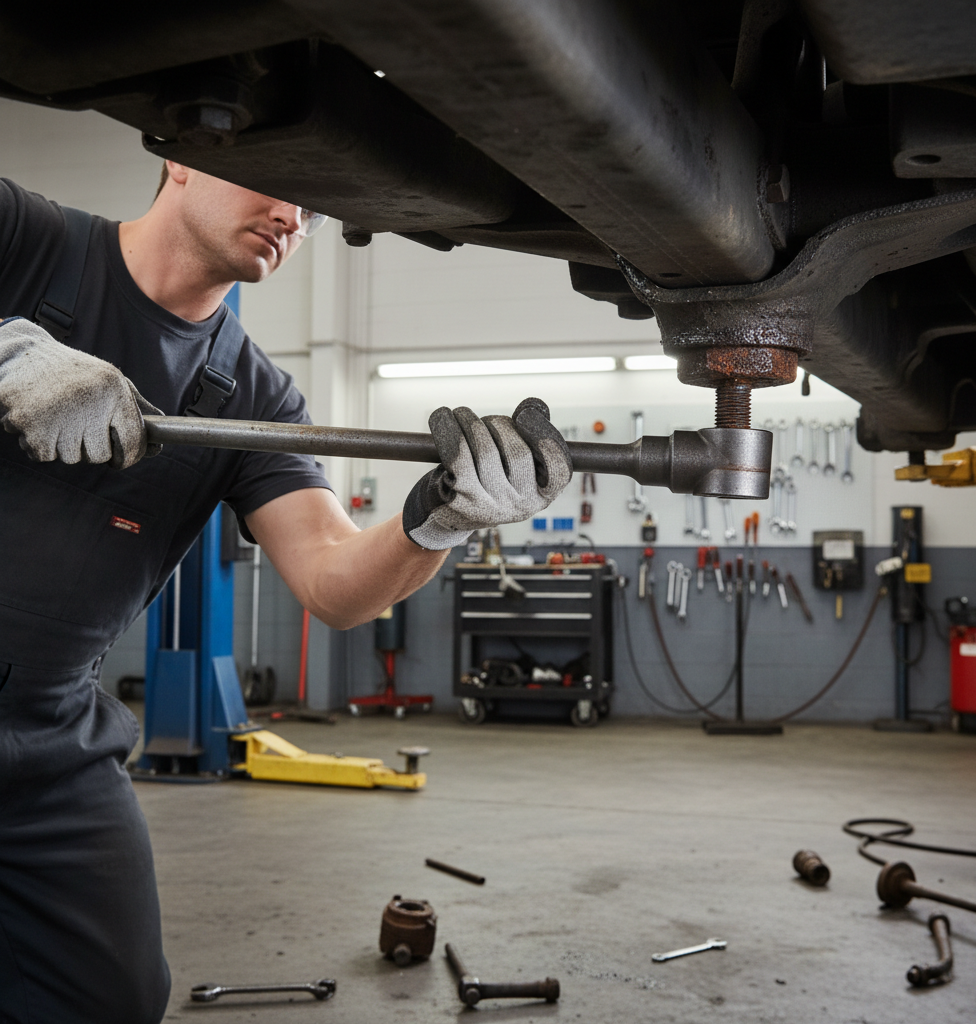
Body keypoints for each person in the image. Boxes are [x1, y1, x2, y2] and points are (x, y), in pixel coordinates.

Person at [0, 161, 571, 1024]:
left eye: (313, 200)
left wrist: (439, 521)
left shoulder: (257, 396)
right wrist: (9, 347)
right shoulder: (25, 238)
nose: (292, 214)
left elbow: (335, 582)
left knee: (110, 996)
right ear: (180, 157)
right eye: (274, 179)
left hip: (47, 742)